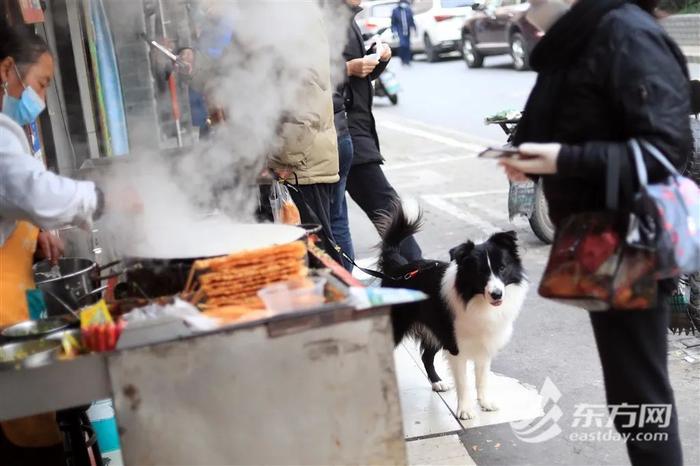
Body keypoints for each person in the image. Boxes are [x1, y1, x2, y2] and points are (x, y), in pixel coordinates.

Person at [499, 1, 691, 464]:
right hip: (593, 237)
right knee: (632, 396)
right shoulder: (577, 37)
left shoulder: (624, 34)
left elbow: (666, 150)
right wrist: (527, 155)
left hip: (632, 236)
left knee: (640, 397)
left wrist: (562, 160)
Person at [0, 25, 108, 465]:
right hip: (3, 331)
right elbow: (35, 192)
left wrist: (31, 226)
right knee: (28, 445)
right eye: (41, 83)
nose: (41, 98)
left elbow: (19, 200)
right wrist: (105, 198)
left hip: (15, 320)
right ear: (8, 69)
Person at [184, 6, 342, 264]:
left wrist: (283, 159)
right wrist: (194, 63)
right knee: (279, 262)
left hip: (297, 167)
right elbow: (228, 76)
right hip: (265, 162)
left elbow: (307, 90)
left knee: (314, 260)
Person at [343, 0, 422, 264]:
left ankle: (407, 270)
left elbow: (355, 80)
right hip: (343, 130)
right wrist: (348, 69)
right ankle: (414, 271)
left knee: (339, 218)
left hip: (353, 128)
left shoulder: (347, 20)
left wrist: (377, 60)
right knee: (386, 207)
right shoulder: (324, 23)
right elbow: (308, 76)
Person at [391, 0, 416, 66]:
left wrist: (414, 29)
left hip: (407, 30)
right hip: (400, 30)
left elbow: (412, 20)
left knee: (407, 45)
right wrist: (394, 31)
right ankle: (402, 59)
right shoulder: (395, 10)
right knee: (402, 45)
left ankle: (407, 60)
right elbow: (393, 22)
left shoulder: (408, 10)